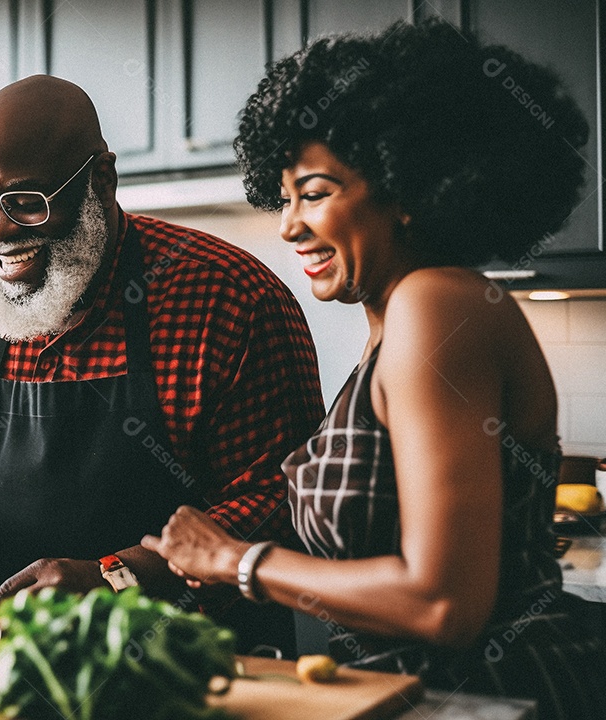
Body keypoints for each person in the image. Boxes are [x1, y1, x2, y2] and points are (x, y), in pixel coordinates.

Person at [141, 18, 606, 719]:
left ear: (409, 188)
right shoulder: (393, 327)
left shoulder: (436, 304)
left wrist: (234, 561)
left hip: (490, 697)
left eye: (317, 193)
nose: (288, 225)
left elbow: (442, 602)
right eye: (287, 196)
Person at [0, 75, 324, 645]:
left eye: (27, 203)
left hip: (202, 673)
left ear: (101, 181)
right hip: (6, 665)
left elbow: (282, 501)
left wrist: (117, 578)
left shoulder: (228, 301)